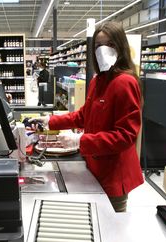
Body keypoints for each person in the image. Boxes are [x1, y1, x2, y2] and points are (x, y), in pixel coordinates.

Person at [32, 22, 143, 212]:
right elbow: (84, 116)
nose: (103, 50)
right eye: (98, 46)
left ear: (121, 46)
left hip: (114, 176)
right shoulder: (97, 81)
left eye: (109, 44)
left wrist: (80, 140)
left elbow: (126, 137)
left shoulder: (125, 83)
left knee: (110, 231)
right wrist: (50, 121)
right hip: (94, 167)